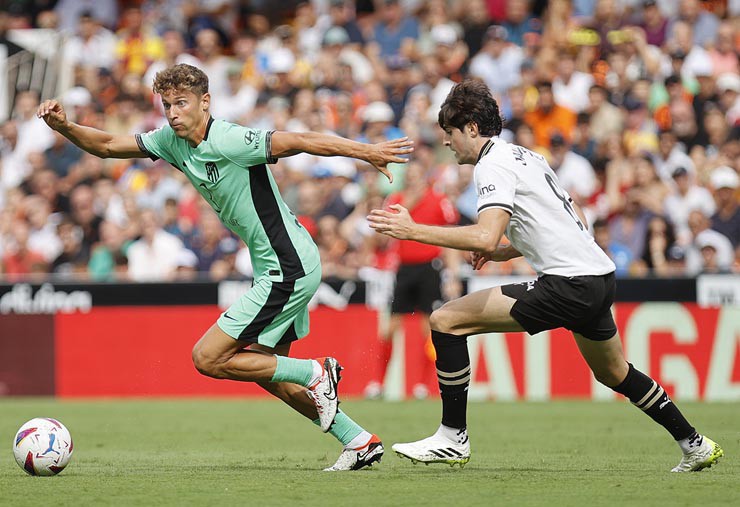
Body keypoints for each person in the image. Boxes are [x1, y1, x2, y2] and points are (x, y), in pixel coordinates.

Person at [38, 63, 413, 471]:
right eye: (167, 105)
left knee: (208, 358)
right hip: (282, 264)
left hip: (288, 266)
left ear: (205, 102)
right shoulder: (171, 141)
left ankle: (316, 372)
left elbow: (302, 140)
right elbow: (109, 144)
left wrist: (368, 151)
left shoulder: (232, 139)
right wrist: (64, 127)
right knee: (272, 375)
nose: (173, 113)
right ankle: (357, 441)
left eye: (181, 103)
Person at [367, 79, 723, 472]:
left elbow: (484, 234)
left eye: (449, 133)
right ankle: (695, 443)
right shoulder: (526, 156)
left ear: (471, 127)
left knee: (446, 320)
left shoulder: (492, 164)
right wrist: (503, 250)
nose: (447, 143)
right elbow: (572, 221)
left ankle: (453, 438)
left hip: (568, 283)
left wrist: (412, 230)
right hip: (598, 277)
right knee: (614, 372)